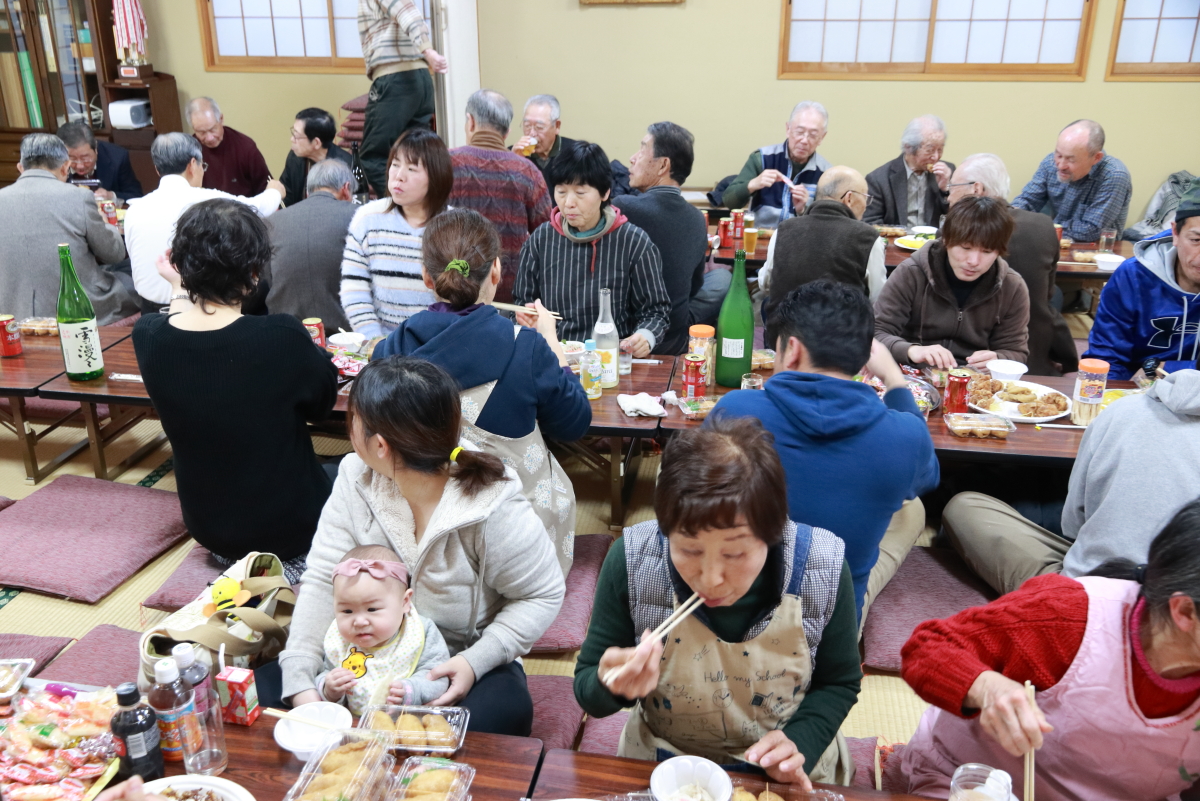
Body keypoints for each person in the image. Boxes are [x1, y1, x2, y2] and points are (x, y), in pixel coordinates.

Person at [279, 356, 566, 736]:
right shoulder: (355, 478)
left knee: (502, 714)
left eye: (353, 421)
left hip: (454, 658)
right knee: (270, 689)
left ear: (380, 445)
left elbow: (542, 594)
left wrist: (474, 662)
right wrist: (301, 679)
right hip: (361, 650)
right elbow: (321, 579)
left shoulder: (492, 503)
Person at [574, 417, 861, 787]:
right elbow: (588, 690)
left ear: (773, 532)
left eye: (735, 554)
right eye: (689, 549)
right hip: (665, 762)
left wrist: (799, 742)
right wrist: (611, 684)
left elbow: (839, 682)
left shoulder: (820, 570)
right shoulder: (633, 562)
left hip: (780, 768)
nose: (710, 579)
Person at [901, 500, 1200, 800]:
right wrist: (986, 687)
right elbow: (927, 647)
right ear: (1184, 612)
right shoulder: (1068, 615)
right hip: (977, 784)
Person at [372, 208, 589, 575]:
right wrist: (552, 343)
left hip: (428, 542)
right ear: (496, 271)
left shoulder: (391, 349)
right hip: (518, 545)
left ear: (426, 276)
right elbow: (574, 423)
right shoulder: (526, 347)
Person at [132, 199, 338, 584]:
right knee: (350, 468)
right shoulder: (280, 336)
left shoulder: (147, 337)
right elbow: (321, 405)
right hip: (292, 531)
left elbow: (177, 326)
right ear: (253, 273)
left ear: (181, 264)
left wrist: (178, 288)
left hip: (211, 531)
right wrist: (319, 358)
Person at [710, 281, 938, 622]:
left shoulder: (734, 410)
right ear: (863, 358)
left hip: (730, 613)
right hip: (830, 629)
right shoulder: (907, 436)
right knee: (912, 509)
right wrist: (894, 378)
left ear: (792, 350)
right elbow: (928, 477)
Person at [939, 367, 1200, 596]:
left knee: (964, 506)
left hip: (1090, 595)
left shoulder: (1123, 409)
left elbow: (1073, 524)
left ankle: (1054, 602)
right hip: (1181, 611)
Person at [512, 141, 670, 356]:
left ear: (604, 193)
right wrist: (525, 317)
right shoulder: (541, 239)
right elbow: (522, 302)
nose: (568, 203)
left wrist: (645, 336)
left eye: (580, 193)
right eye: (561, 192)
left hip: (610, 358)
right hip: (554, 357)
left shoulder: (633, 242)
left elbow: (656, 311)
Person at [949, 153, 1077, 376]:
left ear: (976, 189)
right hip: (1035, 358)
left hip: (971, 363)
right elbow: (1046, 301)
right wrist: (1068, 360)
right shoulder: (1042, 226)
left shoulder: (956, 237)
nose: (948, 197)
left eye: (952, 187)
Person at [125, 133, 284, 308]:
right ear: (193, 164)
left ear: (157, 169)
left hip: (148, 309)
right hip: (199, 309)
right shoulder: (209, 201)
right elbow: (257, 209)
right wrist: (274, 191)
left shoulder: (134, 210)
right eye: (203, 165)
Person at [874, 196, 1030, 370]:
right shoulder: (911, 273)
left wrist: (999, 359)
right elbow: (875, 333)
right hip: (912, 374)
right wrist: (911, 350)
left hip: (975, 379)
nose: (974, 261)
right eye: (965, 247)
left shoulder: (1012, 287)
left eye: (987, 251)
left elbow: (1016, 352)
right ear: (946, 240)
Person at [0, 133, 135, 324]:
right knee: (133, 275)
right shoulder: (78, 197)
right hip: (77, 306)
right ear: (65, 167)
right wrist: (106, 222)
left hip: (11, 309)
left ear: (20, 168)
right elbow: (113, 254)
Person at [612, 122, 719, 354]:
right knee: (722, 278)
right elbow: (694, 287)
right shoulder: (697, 219)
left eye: (642, 149)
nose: (632, 158)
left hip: (625, 336)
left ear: (663, 165)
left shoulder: (623, 208)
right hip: (674, 337)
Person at [341, 128, 453, 338]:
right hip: (383, 344)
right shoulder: (367, 218)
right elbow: (354, 289)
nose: (399, 176)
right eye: (395, 164)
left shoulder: (455, 227)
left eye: (411, 168)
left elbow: (461, 301)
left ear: (437, 176)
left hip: (438, 344)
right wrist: (376, 342)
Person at [759, 166, 885, 349]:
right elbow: (878, 299)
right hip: (840, 349)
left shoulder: (784, 230)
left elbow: (765, 284)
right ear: (849, 198)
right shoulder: (868, 237)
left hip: (784, 345)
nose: (866, 205)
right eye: (865, 197)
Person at [1084, 185, 1200, 379]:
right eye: (1196, 240)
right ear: (1175, 233)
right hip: (1137, 389)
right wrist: (1114, 393)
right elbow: (1107, 356)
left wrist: (1166, 368)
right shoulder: (1134, 276)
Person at [317, 544, 450, 713]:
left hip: (405, 721)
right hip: (353, 723)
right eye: (347, 611)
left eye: (372, 609)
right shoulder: (339, 640)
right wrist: (329, 689)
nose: (359, 621)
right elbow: (325, 672)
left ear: (405, 602)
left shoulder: (420, 631)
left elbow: (437, 676)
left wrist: (411, 691)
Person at [447, 89, 551, 303]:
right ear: (507, 132)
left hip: (452, 291)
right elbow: (547, 236)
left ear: (470, 121)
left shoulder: (444, 164)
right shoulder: (528, 172)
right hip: (514, 298)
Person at [357, 0, 447, 199]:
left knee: (373, 157)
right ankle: (422, 208)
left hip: (395, 79)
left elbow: (407, 13)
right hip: (421, 79)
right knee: (417, 155)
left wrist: (428, 50)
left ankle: (397, 209)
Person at [265, 158, 357, 332]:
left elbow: (262, 284)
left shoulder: (272, 222)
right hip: (348, 335)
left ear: (308, 191)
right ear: (346, 189)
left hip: (284, 332)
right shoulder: (359, 216)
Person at [1012, 119, 1132, 243]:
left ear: (1096, 158)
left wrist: (1041, 227)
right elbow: (1028, 199)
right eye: (1058, 155)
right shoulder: (1050, 163)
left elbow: (1091, 230)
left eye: (1071, 160)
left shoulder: (1114, 175)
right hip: (1056, 242)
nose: (1061, 165)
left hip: (1096, 250)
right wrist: (1010, 215)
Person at [720, 101, 831, 228]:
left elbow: (826, 224)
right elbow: (729, 202)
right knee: (740, 245)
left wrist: (802, 210)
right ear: (788, 129)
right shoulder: (762, 158)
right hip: (759, 236)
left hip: (799, 238)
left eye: (813, 135)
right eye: (800, 132)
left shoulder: (827, 174)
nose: (804, 140)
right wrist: (753, 184)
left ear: (822, 137)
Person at [863, 115, 954, 229]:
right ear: (908, 147)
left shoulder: (948, 172)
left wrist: (945, 190)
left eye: (940, 149)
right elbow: (871, 223)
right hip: (896, 239)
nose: (936, 157)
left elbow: (957, 217)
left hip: (936, 239)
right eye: (929, 150)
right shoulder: (878, 179)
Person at [187, 97, 271, 197]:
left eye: (213, 129)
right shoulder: (188, 151)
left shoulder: (245, 147)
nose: (209, 138)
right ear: (193, 129)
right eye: (201, 132)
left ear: (221, 119)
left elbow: (267, 189)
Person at [279, 107, 354, 208]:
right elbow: (286, 198)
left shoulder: (346, 166)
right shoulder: (295, 158)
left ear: (316, 143)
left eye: (296, 136)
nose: (292, 139)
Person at [57, 121, 142, 202]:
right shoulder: (54, 161)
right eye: (72, 159)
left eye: (85, 158)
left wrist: (111, 195)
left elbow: (136, 195)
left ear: (96, 149)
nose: (80, 166)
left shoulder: (117, 157)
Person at [512, 95, 576, 196]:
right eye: (527, 126)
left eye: (539, 127)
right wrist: (514, 162)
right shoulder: (513, 154)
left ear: (557, 126)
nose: (532, 133)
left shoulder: (576, 154)